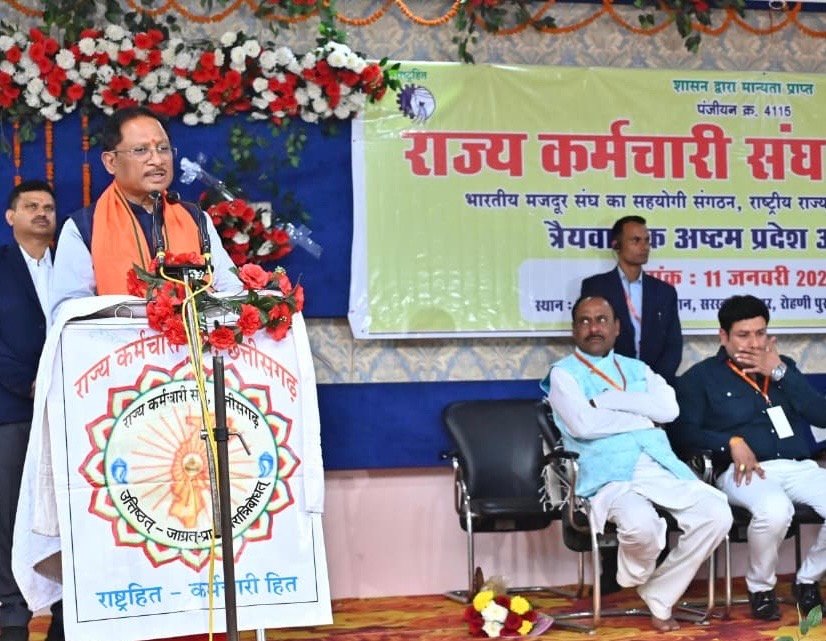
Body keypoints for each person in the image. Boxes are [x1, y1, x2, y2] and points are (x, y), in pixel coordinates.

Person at [541, 295, 731, 631]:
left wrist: (610, 401)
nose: (593, 328)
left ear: (617, 327)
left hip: (656, 465)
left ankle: (660, 592)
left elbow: (669, 410)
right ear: (574, 330)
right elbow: (584, 425)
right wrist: (642, 417)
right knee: (642, 527)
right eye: (584, 321)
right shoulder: (563, 375)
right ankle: (637, 575)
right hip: (607, 476)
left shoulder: (637, 369)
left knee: (717, 513)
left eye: (602, 320)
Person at [672, 294, 826, 621]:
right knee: (775, 510)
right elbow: (683, 433)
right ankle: (761, 588)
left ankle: (807, 581)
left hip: (797, 467)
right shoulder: (701, 378)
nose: (754, 344)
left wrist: (781, 372)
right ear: (723, 336)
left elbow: (821, 415)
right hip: (743, 471)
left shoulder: (784, 367)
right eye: (743, 335)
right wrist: (729, 442)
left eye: (760, 333)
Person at [50, 105, 240, 318]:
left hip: (196, 338)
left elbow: (232, 291)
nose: (157, 160)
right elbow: (68, 312)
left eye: (163, 148)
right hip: (119, 339)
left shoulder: (196, 219)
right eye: (141, 150)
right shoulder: (83, 227)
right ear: (111, 162)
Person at [0, 180, 62, 641]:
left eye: (48, 207)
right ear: (11, 217)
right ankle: (12, 612)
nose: (42, 213)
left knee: (64, 508)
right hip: (13, 409)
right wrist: (28, 382)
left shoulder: (74, 265)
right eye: (31, 206)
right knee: (10, 512)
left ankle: (65, 609)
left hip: (68, 410)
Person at [581, 215, 682, 385]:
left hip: (655, 386)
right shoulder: (596, 287)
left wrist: (655, 382)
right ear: (616, 245)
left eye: (647, 241)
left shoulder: (665, 292)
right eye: (636, 240)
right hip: (609, 383)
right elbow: (591, 340)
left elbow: (673, 345)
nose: (644, 247)